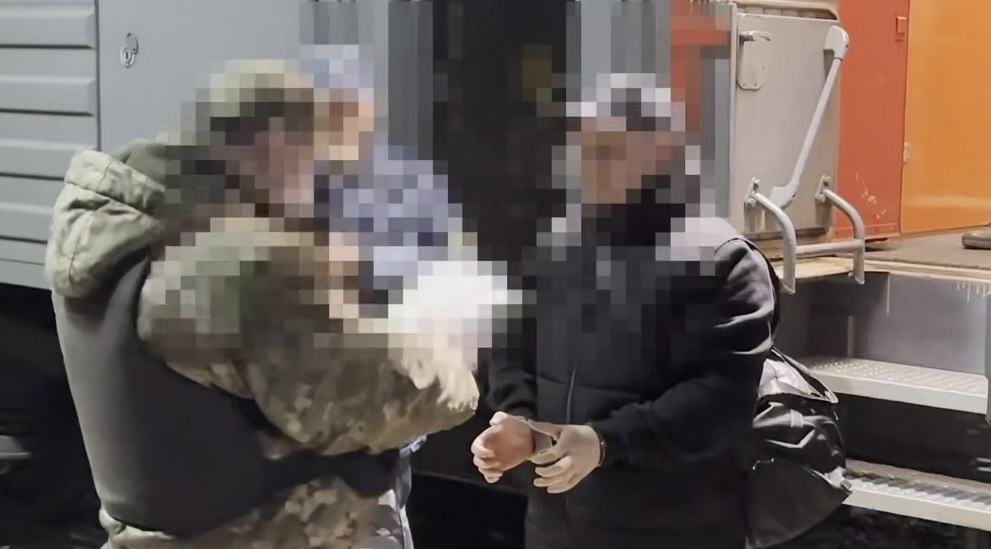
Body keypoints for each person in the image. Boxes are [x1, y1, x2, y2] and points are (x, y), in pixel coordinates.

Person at [45, 59, 483, 549]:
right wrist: (451, 351)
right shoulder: (239, 265)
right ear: (277, 147)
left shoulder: (119, 234)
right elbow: (383, 398)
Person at [471, 72, 777, 549]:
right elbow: (510, 345)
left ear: (661, 151)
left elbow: (720, 398)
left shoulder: (722, 259)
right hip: (559, 528)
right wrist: (519, 419)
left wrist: (605, 442)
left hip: (675, 530)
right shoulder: (555, 244)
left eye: (608, 152)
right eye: (584, 151)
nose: (589, 167)